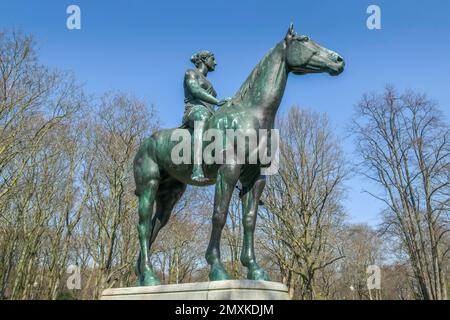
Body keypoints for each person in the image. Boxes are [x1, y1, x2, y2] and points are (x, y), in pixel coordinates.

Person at [182, 50, 230, 182]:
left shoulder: (210, 84)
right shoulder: (190, 73)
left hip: (211, 113)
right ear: (204, 59)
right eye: (212, 59)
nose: (215, 62)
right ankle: (197, 168)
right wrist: (217, 101)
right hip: (194, 111)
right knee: (202, 117)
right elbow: (195, 91)